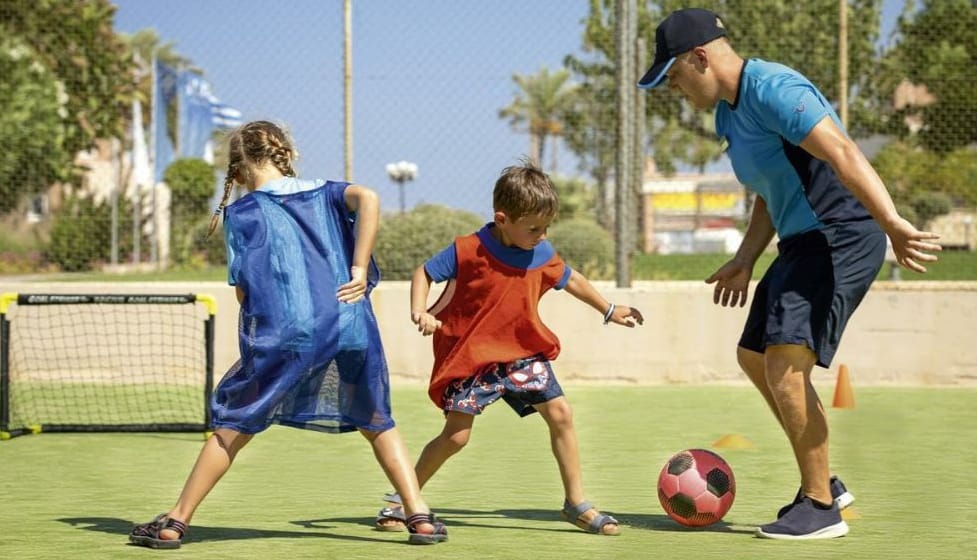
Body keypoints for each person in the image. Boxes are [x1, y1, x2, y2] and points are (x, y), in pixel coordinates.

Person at [638, 8, 941, 540]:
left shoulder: (774, 87)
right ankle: (825, 481)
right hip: (802, 241)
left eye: (675, 75)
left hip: (840, 233)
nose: (675, 88)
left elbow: (843, 152)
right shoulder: (729, 116)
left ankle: (822, 507)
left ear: (700, 57)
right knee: (755, 354)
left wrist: (890, 222)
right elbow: (769, 191)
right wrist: (746, 257)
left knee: (784, 360)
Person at [128, 121, 446, 548]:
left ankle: (174, 522)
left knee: (232, 426)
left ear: (237, 173)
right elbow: (369, 197)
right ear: (286, 156)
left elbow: (244, 290)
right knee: (377, 420)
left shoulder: (240, 214)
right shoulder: (328, 191)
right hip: (350, 325)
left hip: (289, 335)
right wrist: (356, 268)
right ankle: (419, 516)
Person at [373, 163, 644, 536]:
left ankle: (576, 503)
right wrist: (419, 310)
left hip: (521, 355)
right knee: (456, 436)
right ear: (502, 219)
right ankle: (405, 499)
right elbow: (424, 272)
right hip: (471, 361)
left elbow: (571, 279)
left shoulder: (541, 253)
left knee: (561, 414)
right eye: (534, 228)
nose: (541, 235)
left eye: (546, 227)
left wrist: (609, 309)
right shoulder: (467, 250)